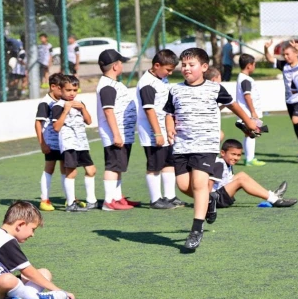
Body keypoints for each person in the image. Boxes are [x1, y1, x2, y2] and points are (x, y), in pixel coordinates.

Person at [163, 48, 258, 251]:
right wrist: (169, 126)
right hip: (181, 145)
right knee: (183, 185)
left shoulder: (215, 89)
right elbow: (169, 113)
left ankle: (196, 230)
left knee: (199, 184)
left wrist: (249, 121)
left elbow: (233, 105)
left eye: (191, 65)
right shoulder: (175, 90)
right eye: (184, 64)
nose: (186, 68)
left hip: (205, 145)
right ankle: (211, 199)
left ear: (204, 67)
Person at [137, 49, 182, 210]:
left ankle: (169, 196)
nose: (169, 73)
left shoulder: (161, 79)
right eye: (168, 70)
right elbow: (149, 110)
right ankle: (155, 199)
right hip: (152, 131)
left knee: (168, 162)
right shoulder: (147, 83)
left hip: (165, 128)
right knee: (154, 164)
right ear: (157, 65)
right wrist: (157, 132)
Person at [96, 49, 138, 211]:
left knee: (118, 166)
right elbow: (108, 110)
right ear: (115, 66)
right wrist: (116, 134)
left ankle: (117, 197)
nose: (122, 65)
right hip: (115, 133)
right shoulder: (107, 86)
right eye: (120, 62)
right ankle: (108, 201)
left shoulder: (114, 83)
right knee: (113, 166)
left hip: (123, 133)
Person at [208, 139, 297, 212]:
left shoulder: (227, 163)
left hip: (221, 195)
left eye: (239, 155)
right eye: (233, 154)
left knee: (241, 175)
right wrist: (207, 202)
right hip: (215, 200)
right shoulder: (219, 164)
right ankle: (274, 200)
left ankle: (272, 195)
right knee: (240, 181)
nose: (236, 158)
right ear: (223, 153)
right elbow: (209, 183)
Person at [51, 75, 97, 211]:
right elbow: (56, 127)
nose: (72, 93)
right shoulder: (58, 106)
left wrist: (82, 108)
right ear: (61, 89)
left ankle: (91, 201)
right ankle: (71, 203)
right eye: (69, 90)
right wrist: (66, 110)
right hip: (69, 143)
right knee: (71, 173)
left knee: (91, 170)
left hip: (82, 142)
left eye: (75, 90)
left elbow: (89, 121)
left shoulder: (79, 102)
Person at [35, 73, 66, 212]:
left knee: (66, 168)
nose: (64, 91)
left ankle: (70, 198)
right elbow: (37, 123)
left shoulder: (61, 101)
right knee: (50, 168)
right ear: (53, 87)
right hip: (51, 142)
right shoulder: (45, 103)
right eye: (61, 88)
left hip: (63, 141)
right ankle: (44, 199)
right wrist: (42, 143)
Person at [235, 53, 266, 167]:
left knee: (250, 134)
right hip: (247, 113)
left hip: (246, 112)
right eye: (254, 64)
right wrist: (253, 111)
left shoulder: (243, 78)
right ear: (249, 66)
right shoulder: (245, 80)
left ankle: (249, 157)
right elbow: (247, 96)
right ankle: (250, 159)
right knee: (251, 134)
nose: (254, 67)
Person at [281, 41, 298, 144]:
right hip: (289, 100)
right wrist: (266, 49)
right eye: (284, 54)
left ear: (296, 54)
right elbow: (269, 59)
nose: (285, 57)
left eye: (287, 54)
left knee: (296, 120)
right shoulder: (284, 65)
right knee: (296, 125)